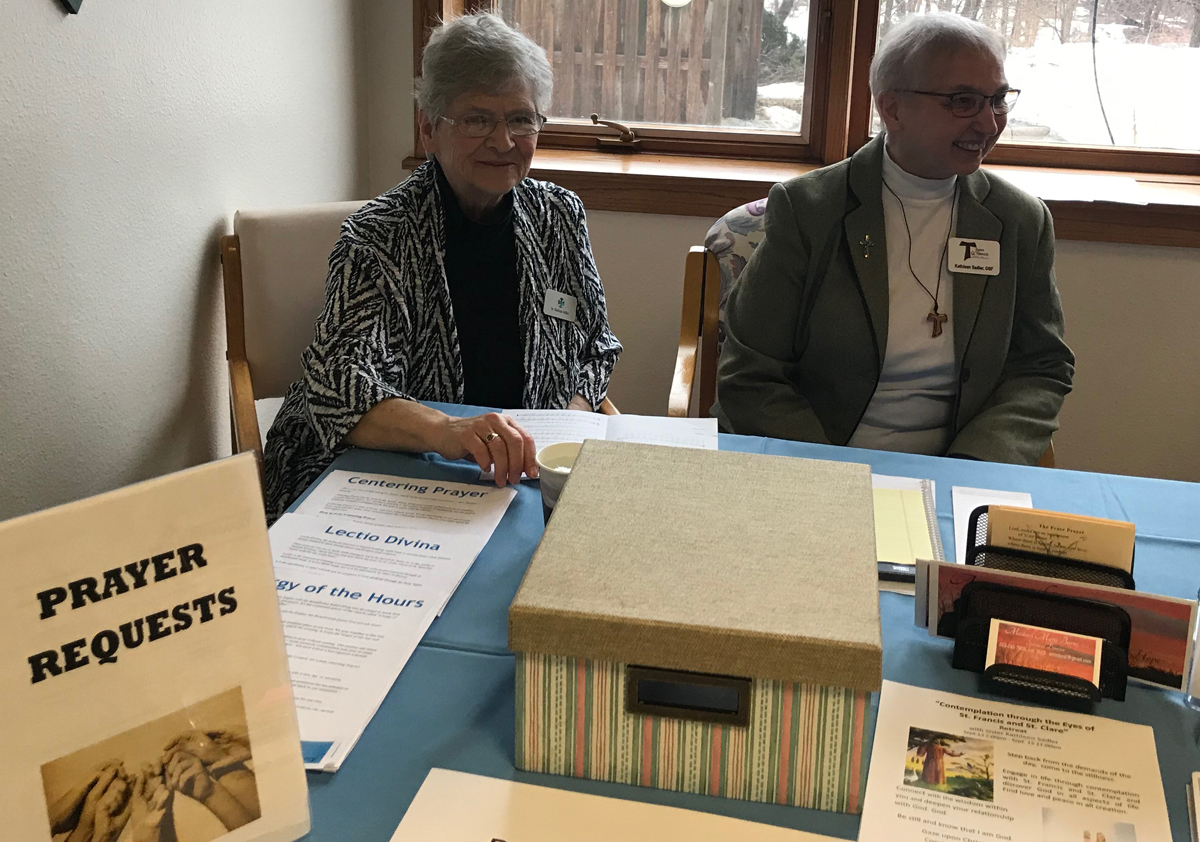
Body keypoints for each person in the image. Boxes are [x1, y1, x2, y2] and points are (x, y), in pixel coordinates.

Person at [263, 12, 621, 521]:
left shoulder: (559, 216)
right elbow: (340, 384)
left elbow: (594, 346)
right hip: (397, 473)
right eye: (477, 119)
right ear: (429, 130)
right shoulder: (379, 234)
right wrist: (449, 431)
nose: (504, 141)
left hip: (523, 474)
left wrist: (572, 423)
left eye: (521, 119)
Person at [713, 13, 1073, 463]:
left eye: (997, 99)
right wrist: (833, 476)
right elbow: (750, 375)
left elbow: (1041, 366)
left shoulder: (1019, 220)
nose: (988, 123)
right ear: (892, 109)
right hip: (817, 461)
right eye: (963, 101)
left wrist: (977, 464)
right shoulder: (809, 210)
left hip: (962, 469)